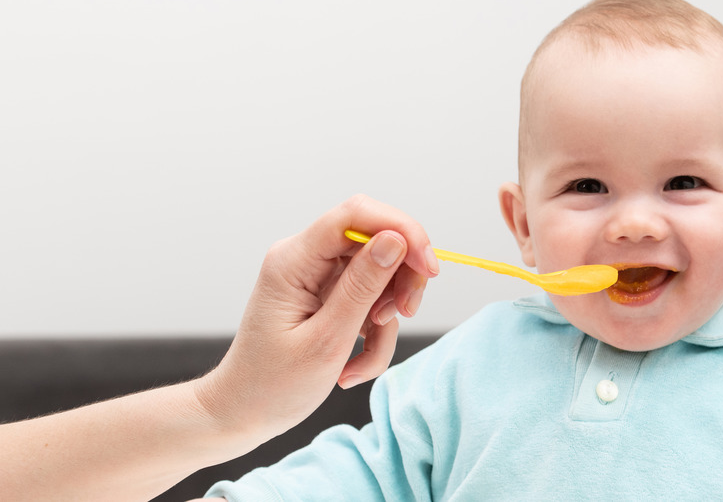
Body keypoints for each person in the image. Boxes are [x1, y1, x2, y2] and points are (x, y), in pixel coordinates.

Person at [202, 0, 723, 500]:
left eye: (683, 181)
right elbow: (365, 475)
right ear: (523, 226)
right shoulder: (472, 366)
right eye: (589, 188)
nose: (634, 224)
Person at [0, 196, 440, 501]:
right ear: (514, 220)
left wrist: (222, 410)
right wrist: (223, 413)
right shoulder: (457, 376)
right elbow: (372, 475)